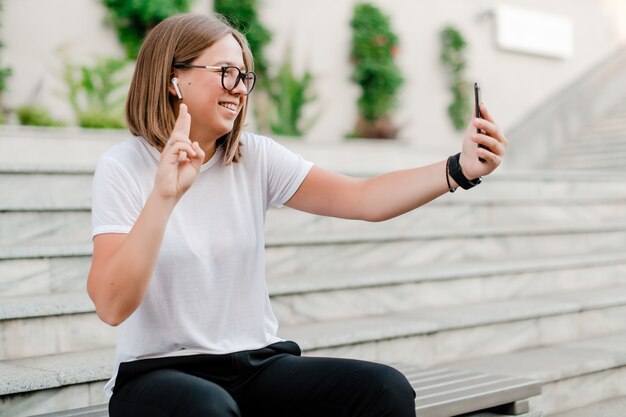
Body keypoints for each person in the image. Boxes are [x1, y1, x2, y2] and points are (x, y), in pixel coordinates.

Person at [87, 13, 508, 417]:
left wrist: (460, 168)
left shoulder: (253, 158)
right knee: (207, 409)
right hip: (158, 373)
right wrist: (164, 197)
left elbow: (363, 198)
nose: (239, 88)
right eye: (226, 73)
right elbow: (111, 305)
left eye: (245, 77)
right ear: (174, 77)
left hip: (253, 365)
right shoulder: (124, 167)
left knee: (383, 389)